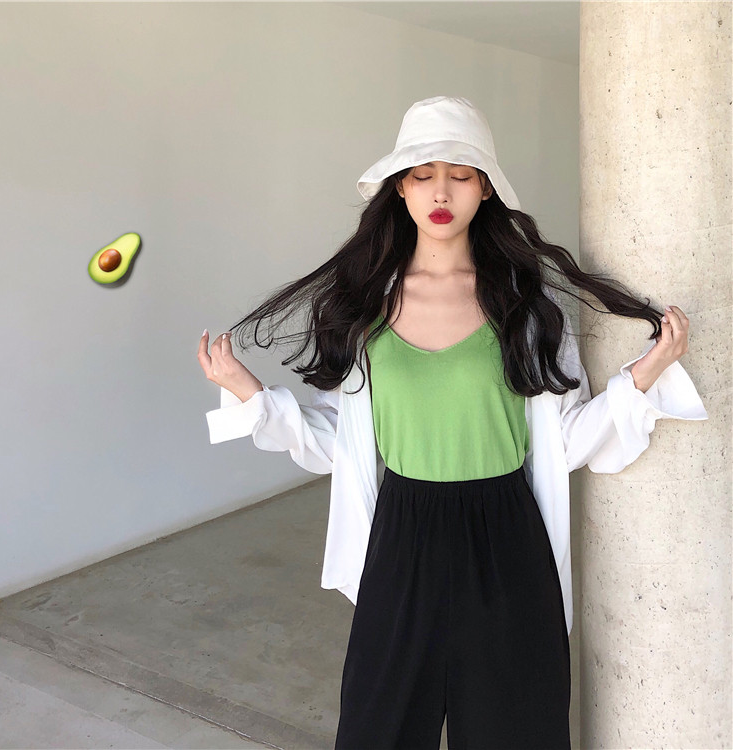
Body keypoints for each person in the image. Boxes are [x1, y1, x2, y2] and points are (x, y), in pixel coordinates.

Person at [197, 96, 707, 750]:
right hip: (401, 533)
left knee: (517, 733)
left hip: (507, 536)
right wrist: (248, 393)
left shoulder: (525, 305)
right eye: (422, 174)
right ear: (400, 188)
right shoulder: (366, 306)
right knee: (377, 731)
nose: (441, 191)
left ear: (486, 188)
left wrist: (645, 375)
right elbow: (342, 445)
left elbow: (564, 439)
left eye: (461, 174)